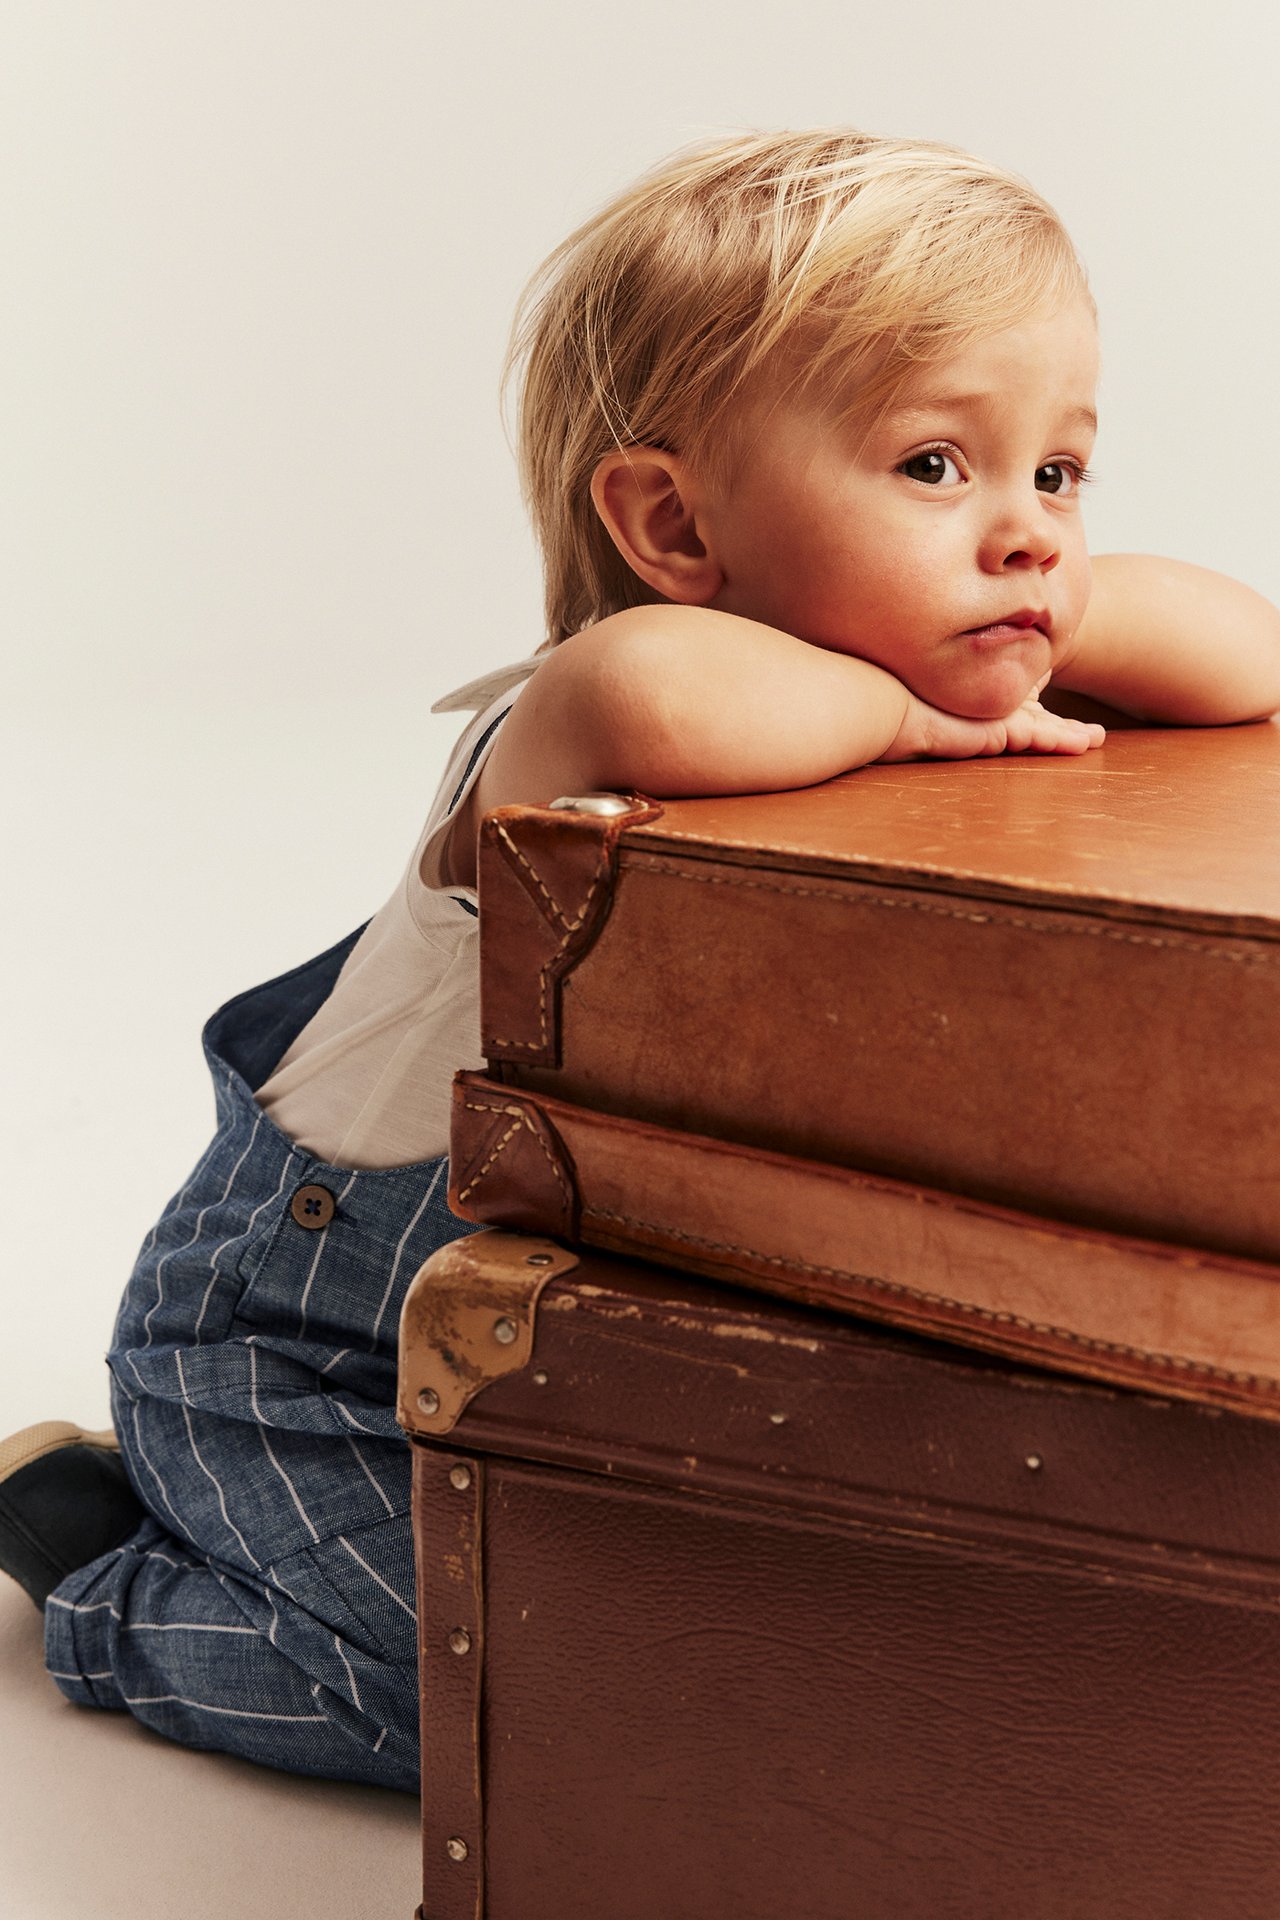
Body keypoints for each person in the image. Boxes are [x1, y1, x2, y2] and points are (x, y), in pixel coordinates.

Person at [3, 127, 1278, 1794]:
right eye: (932, 468)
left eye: (1060, 472)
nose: (1031, 531)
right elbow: (657, 698)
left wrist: (1029, 602)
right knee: (484, 1689)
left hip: (548, 1345)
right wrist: (920, 692)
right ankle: (109, 1573)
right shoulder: (586, 711)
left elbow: (1250, 655)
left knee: (716, 1639)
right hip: (293, 1350)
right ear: (672, 525)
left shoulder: (925, 651)